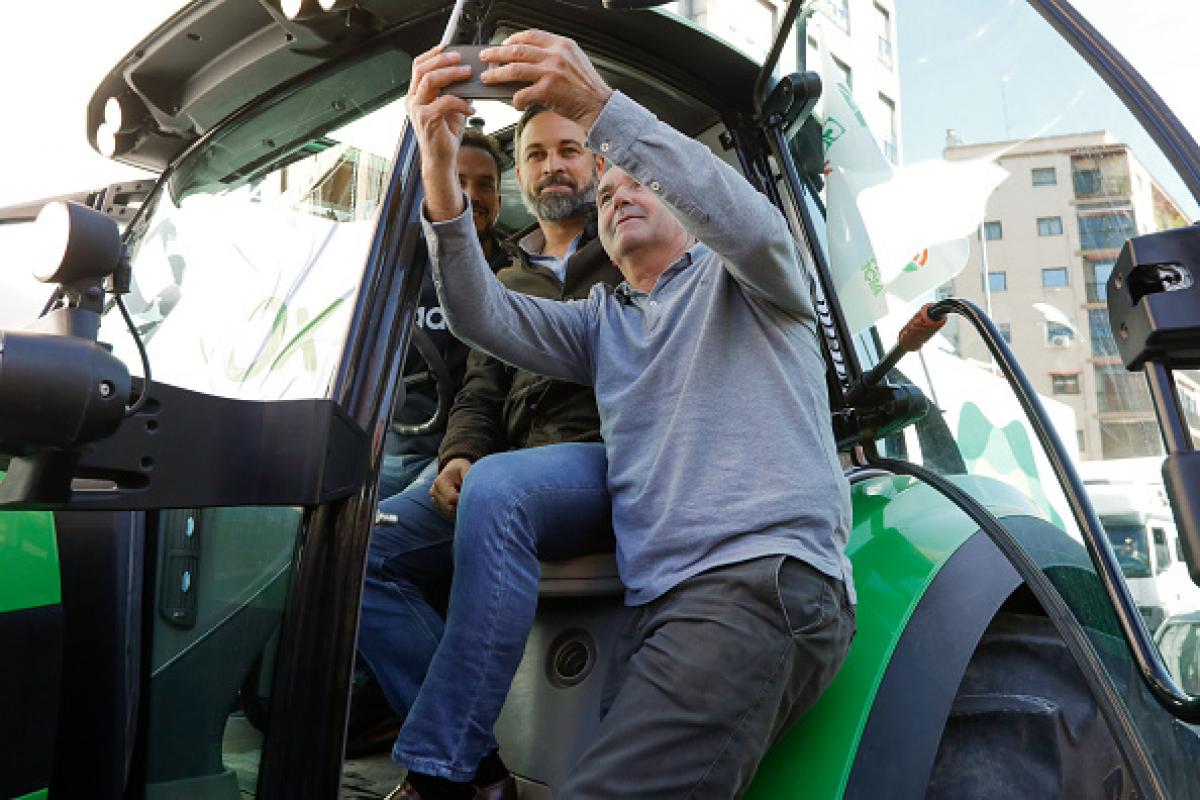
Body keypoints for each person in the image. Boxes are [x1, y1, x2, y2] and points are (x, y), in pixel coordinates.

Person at [397, 29, 857, 799]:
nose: (616, 193)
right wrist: (438, 169)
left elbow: (742, 221)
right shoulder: (606, 321)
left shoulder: (752, 280)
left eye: (636, 182)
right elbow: (481, 317)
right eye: (606, 195)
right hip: (661, 608)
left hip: (753, 583)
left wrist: (601, 109)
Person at [357, 106, 622, 799]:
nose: (553, 165)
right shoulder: (504, 279)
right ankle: (477, 767)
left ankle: (440, 770)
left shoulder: (628, 248)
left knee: (500, 490)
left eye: (570, 149)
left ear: (597, 163)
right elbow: (478, 391)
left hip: (604, 462)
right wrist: (458, 456)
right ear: (523, 176)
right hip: (509, 464)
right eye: (536, 154)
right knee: (360, 546)